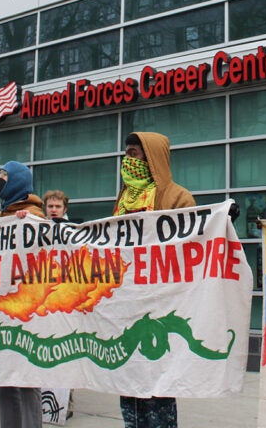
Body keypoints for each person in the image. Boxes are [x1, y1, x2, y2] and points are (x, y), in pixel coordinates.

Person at [114, 132, 195, 428]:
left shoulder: (178, 197)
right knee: (129, 388)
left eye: (134, 154)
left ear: (152, 158)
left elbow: (195, 243)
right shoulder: (123, 200)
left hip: (161, 309)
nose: (128, 160)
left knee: (159, 390)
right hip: (126, 309)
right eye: (127, 153)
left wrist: (221, 219)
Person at [0, 161, 45, 428]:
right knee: (5, 381)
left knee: (25, 380)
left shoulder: (34, 215)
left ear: (16, 182)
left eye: (3, 176)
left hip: (27, 313)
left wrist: (29, 227)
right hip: (3, 310)